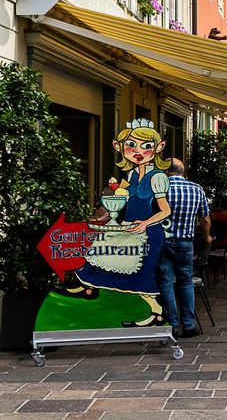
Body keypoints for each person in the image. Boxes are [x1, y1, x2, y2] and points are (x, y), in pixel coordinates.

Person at [57, 119, 172, 328]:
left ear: (158, 147)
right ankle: (88, 286)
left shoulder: (158, 177)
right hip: (128, 228)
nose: (138, 151)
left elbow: (166, 210)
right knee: (98, 253)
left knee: (140, 272)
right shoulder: (132, 174)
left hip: (149, 233)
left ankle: (156, 313)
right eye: (131, 145)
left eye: (146, 146)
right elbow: (123, 201)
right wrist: (104, 217)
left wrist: (146, 222)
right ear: (119, 147)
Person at [157, 159, 211, 339]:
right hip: (185, 242)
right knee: (185, 281)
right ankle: (188, 325)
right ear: (182, 171)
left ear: (166, 172)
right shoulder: (196, 189)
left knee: (166, 281)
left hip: (163, 241)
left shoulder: (159, 190)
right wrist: (206, 236)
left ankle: (171, 325)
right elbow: (205, 219)